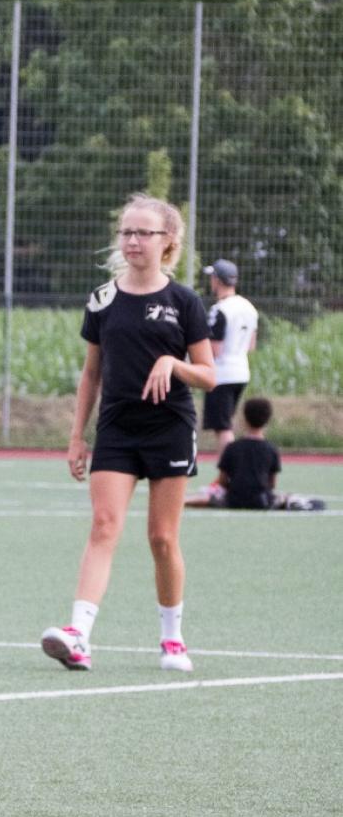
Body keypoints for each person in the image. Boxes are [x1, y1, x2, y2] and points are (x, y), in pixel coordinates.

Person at [41, 195, 214, 674]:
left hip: (169, 428)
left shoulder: (184, 302)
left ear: (167, 242)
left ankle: (172, 639)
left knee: (162, 538)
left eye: (144, 233)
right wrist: (77, 436)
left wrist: (173, 363)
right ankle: (78, 635)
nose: (133, 240)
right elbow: (91, 373)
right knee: (103, 525)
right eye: (127, 232)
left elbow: (208, 374)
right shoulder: (102, 299)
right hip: (116, 429)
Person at [185, 397, 324, 512]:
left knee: (209, 498)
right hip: (261, 500)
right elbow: (272, 483)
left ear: (244, 419)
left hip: (234, 500)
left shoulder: (232, 448)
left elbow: (222, 481)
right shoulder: (271, 449)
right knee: (283, 498)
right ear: (267, 420)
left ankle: (183, 501)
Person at [201, 259, 257, 449]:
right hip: (242, 371)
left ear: (217, 280)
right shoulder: (249, 307)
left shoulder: (220, 310)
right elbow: (251, 345)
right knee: (227, 423)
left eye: (212, 278)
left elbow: (214, 349)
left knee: (222, 428)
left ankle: (231, 466)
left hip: (222, 374)